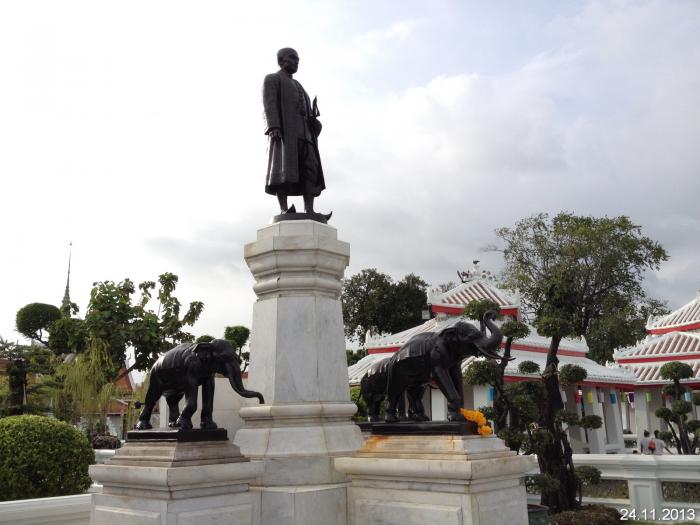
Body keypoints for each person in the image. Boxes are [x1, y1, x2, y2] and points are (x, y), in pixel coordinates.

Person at [262, 47, 328, 218]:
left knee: (310, 169)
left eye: (298, 59)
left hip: (306, 135)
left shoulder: (299, 85)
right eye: (293, 58)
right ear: (282, 60)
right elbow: (269, 104)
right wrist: (273, 125)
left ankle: (309, 209)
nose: (297, 61)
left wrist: (314, 123)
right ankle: (284, 208)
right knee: (283, 168)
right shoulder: (272, 79)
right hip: (286, 133)